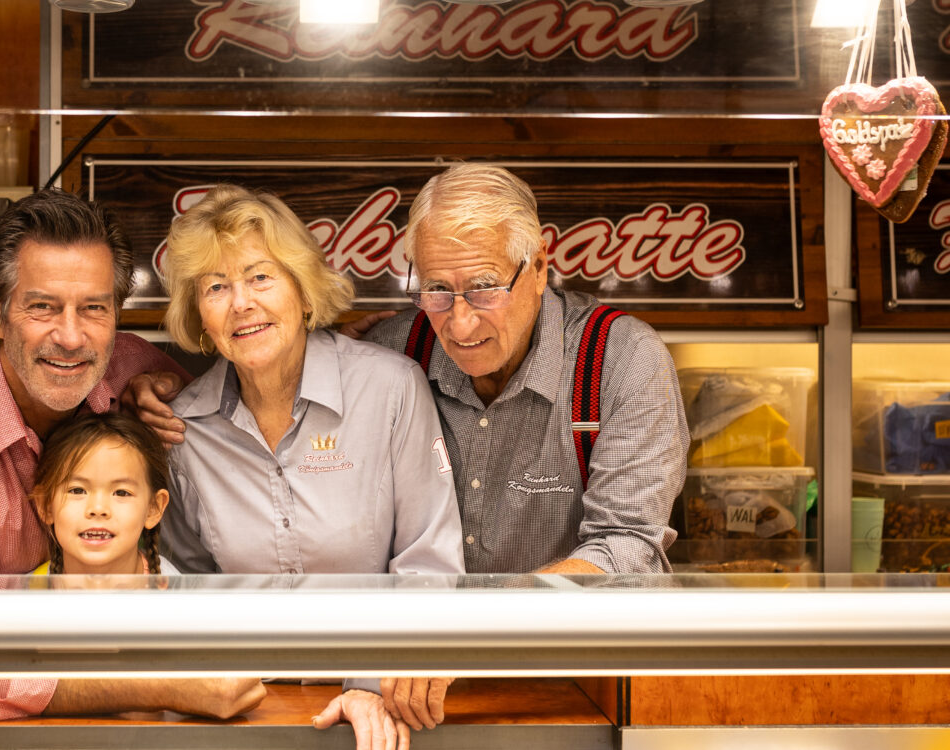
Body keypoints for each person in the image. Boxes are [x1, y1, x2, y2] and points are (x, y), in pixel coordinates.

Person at [130, 165, 689, 735]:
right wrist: (158, 381)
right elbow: (289, 361)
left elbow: (629, 552)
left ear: (541, 266)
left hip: (567, 687)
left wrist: (464, 628)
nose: (461, 320)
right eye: (437, 291)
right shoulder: (400, 348)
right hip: (400, 694)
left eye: (485, 287)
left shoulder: (620, 363)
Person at [0, 189, 261, 722]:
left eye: (94, 309)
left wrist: (179, 386)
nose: (72, 337)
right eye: (43, 307)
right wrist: (159, 688)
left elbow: (242, 421)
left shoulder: (130, 369)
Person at [158, 183, 465, 750]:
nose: (241, 302)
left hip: (382, 711)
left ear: (303, 292)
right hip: (245, 712)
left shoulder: (391, 388)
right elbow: (188, 582)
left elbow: (430, 560)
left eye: (260, 277)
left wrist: (375, 684)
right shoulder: (185, 429)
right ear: (199, 315)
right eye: (216, 287)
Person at [29, 411, 179, 576]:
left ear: (153, 508)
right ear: (46, 505)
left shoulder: (179, 595)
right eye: (77, 490)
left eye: (121, 493)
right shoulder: (24, 595)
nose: (98, 508)